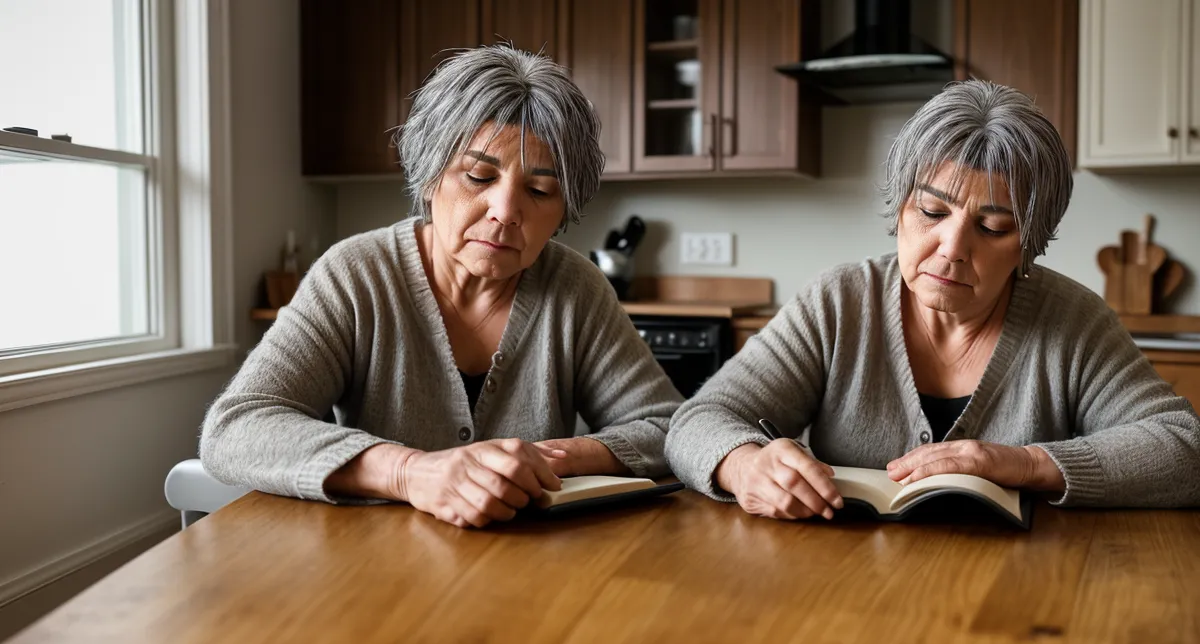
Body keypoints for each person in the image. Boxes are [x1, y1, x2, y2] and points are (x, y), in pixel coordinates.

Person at [665, 80, 1200, 520]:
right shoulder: (838, 302)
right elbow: (697, 421)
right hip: (839, 584)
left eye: (993, 227)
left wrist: (1025, 464)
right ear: (900, 207)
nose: (952, 248)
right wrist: (743, 465)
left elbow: (1185, 449)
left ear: (1029, 244)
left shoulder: (1073, 320)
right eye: (932, 212)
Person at [201, 45, 682, 528]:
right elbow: (237, 428)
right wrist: (409, 472)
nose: (505, 212)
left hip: (534, 565)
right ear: (430, 177)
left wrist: (547, 459)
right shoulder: (355, 275)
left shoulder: (575, 288)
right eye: (478, 176)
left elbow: (669, 427)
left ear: (563, 211)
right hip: (372, 559)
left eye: (539, 190)